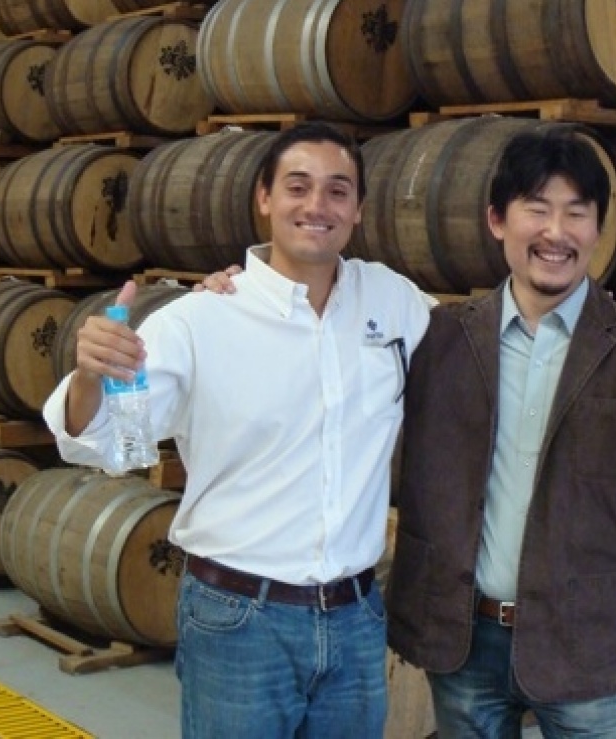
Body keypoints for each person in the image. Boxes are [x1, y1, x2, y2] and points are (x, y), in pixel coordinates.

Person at [205, 125, 616, 738]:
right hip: (463, 642)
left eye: (576, 213)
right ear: (497, 221)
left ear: (598, 229)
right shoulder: (439, 337)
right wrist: (245, 291)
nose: (556, 232)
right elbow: (328, 348)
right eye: (536, 210)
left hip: (582, 642)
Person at [43, 121, 431, 739]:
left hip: (356, 620)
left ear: (358, 208)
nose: (317, 205)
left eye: (337, 190)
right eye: (297, 186)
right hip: (241, 620)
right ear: (264, 198)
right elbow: (109, 444)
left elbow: (477, 351)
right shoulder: (201, 320)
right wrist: (91, 374)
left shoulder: (394, 302)